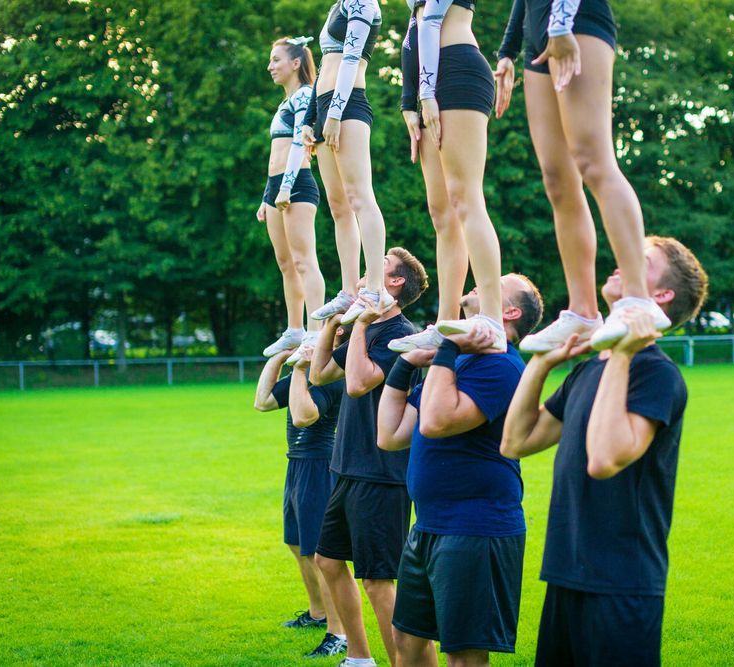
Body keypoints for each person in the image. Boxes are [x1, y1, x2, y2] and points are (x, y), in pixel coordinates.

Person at [501, 237, 708, 665]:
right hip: (565, 574)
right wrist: (542, 363)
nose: (621, 262)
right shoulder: (588, 369)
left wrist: (621, 355)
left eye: (641, 261)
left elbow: (603, 459)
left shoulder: (656, 375)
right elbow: (515, 441)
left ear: (661, 296)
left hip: (622, 583)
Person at [377, 274, 543, 667]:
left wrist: (448, 346)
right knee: (407, 638)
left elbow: (435, 422)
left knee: (464, 654)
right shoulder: (459, 361)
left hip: (477, 527)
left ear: (509, 312)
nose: (476, 284)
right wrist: (406, 364)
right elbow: (391, 434)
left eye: (492, 284)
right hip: (430, 525)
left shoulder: (500, 366)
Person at [494, 0, 672, 354]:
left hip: (576, 20)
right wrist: (507, 51)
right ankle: (583, 312)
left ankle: (638, 297)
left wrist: (560, 25)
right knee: (557, 181)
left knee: (593, 161)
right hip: (538, 34)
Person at [309, 248, 429, 667]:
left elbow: (358, 384)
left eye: (372, 272)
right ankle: (360, 659)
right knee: (327, 559)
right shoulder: (368, 329)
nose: (361, 278)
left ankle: (404, 663)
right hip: (348, 469)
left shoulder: (399, 334)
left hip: (381, 474)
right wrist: (333, 322)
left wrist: (359, 323)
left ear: (393, 283)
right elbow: (320, 374)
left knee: (379, 580)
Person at [388, 0, 508, 354]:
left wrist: (424, 94)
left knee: (465, 198)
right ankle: (445, 321)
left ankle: (492, 317)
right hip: (430, 82)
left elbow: (434, 22)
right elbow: (415, 29)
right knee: (442, 213)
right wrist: (409, 102)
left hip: (457, 70)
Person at [299, 0, 393, 328]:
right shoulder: (338, 5)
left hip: (348, 104)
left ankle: (376, 288)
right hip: (326, 107)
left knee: (359, 197)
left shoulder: (363, 4)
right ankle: (349, 290)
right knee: (339, 208)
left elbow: (350, 60)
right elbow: (326, 67)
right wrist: (311, 120)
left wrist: (336, 113)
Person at [252, 346, 347, 658]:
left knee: (320, 553)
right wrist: (281, 357)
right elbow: (263, 402)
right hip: (297, 463)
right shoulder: (304, 375)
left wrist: (301, 369)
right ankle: (317, 612)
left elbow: (305, 417)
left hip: (319, 466)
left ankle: (338, 633)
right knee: (296, 543)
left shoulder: (329, 379)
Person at [259, 37, 326, 358]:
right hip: (276, 189)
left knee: (303, 260)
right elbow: (276, 152)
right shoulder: (284, 102)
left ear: (295, 63)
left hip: (296, 184)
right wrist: (266, 196)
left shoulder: (303, 95)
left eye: (276, 60)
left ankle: (316, 331)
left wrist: (285, 187)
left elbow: (299, 144)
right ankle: (294, 330)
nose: (270, 66)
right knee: (286, 263)